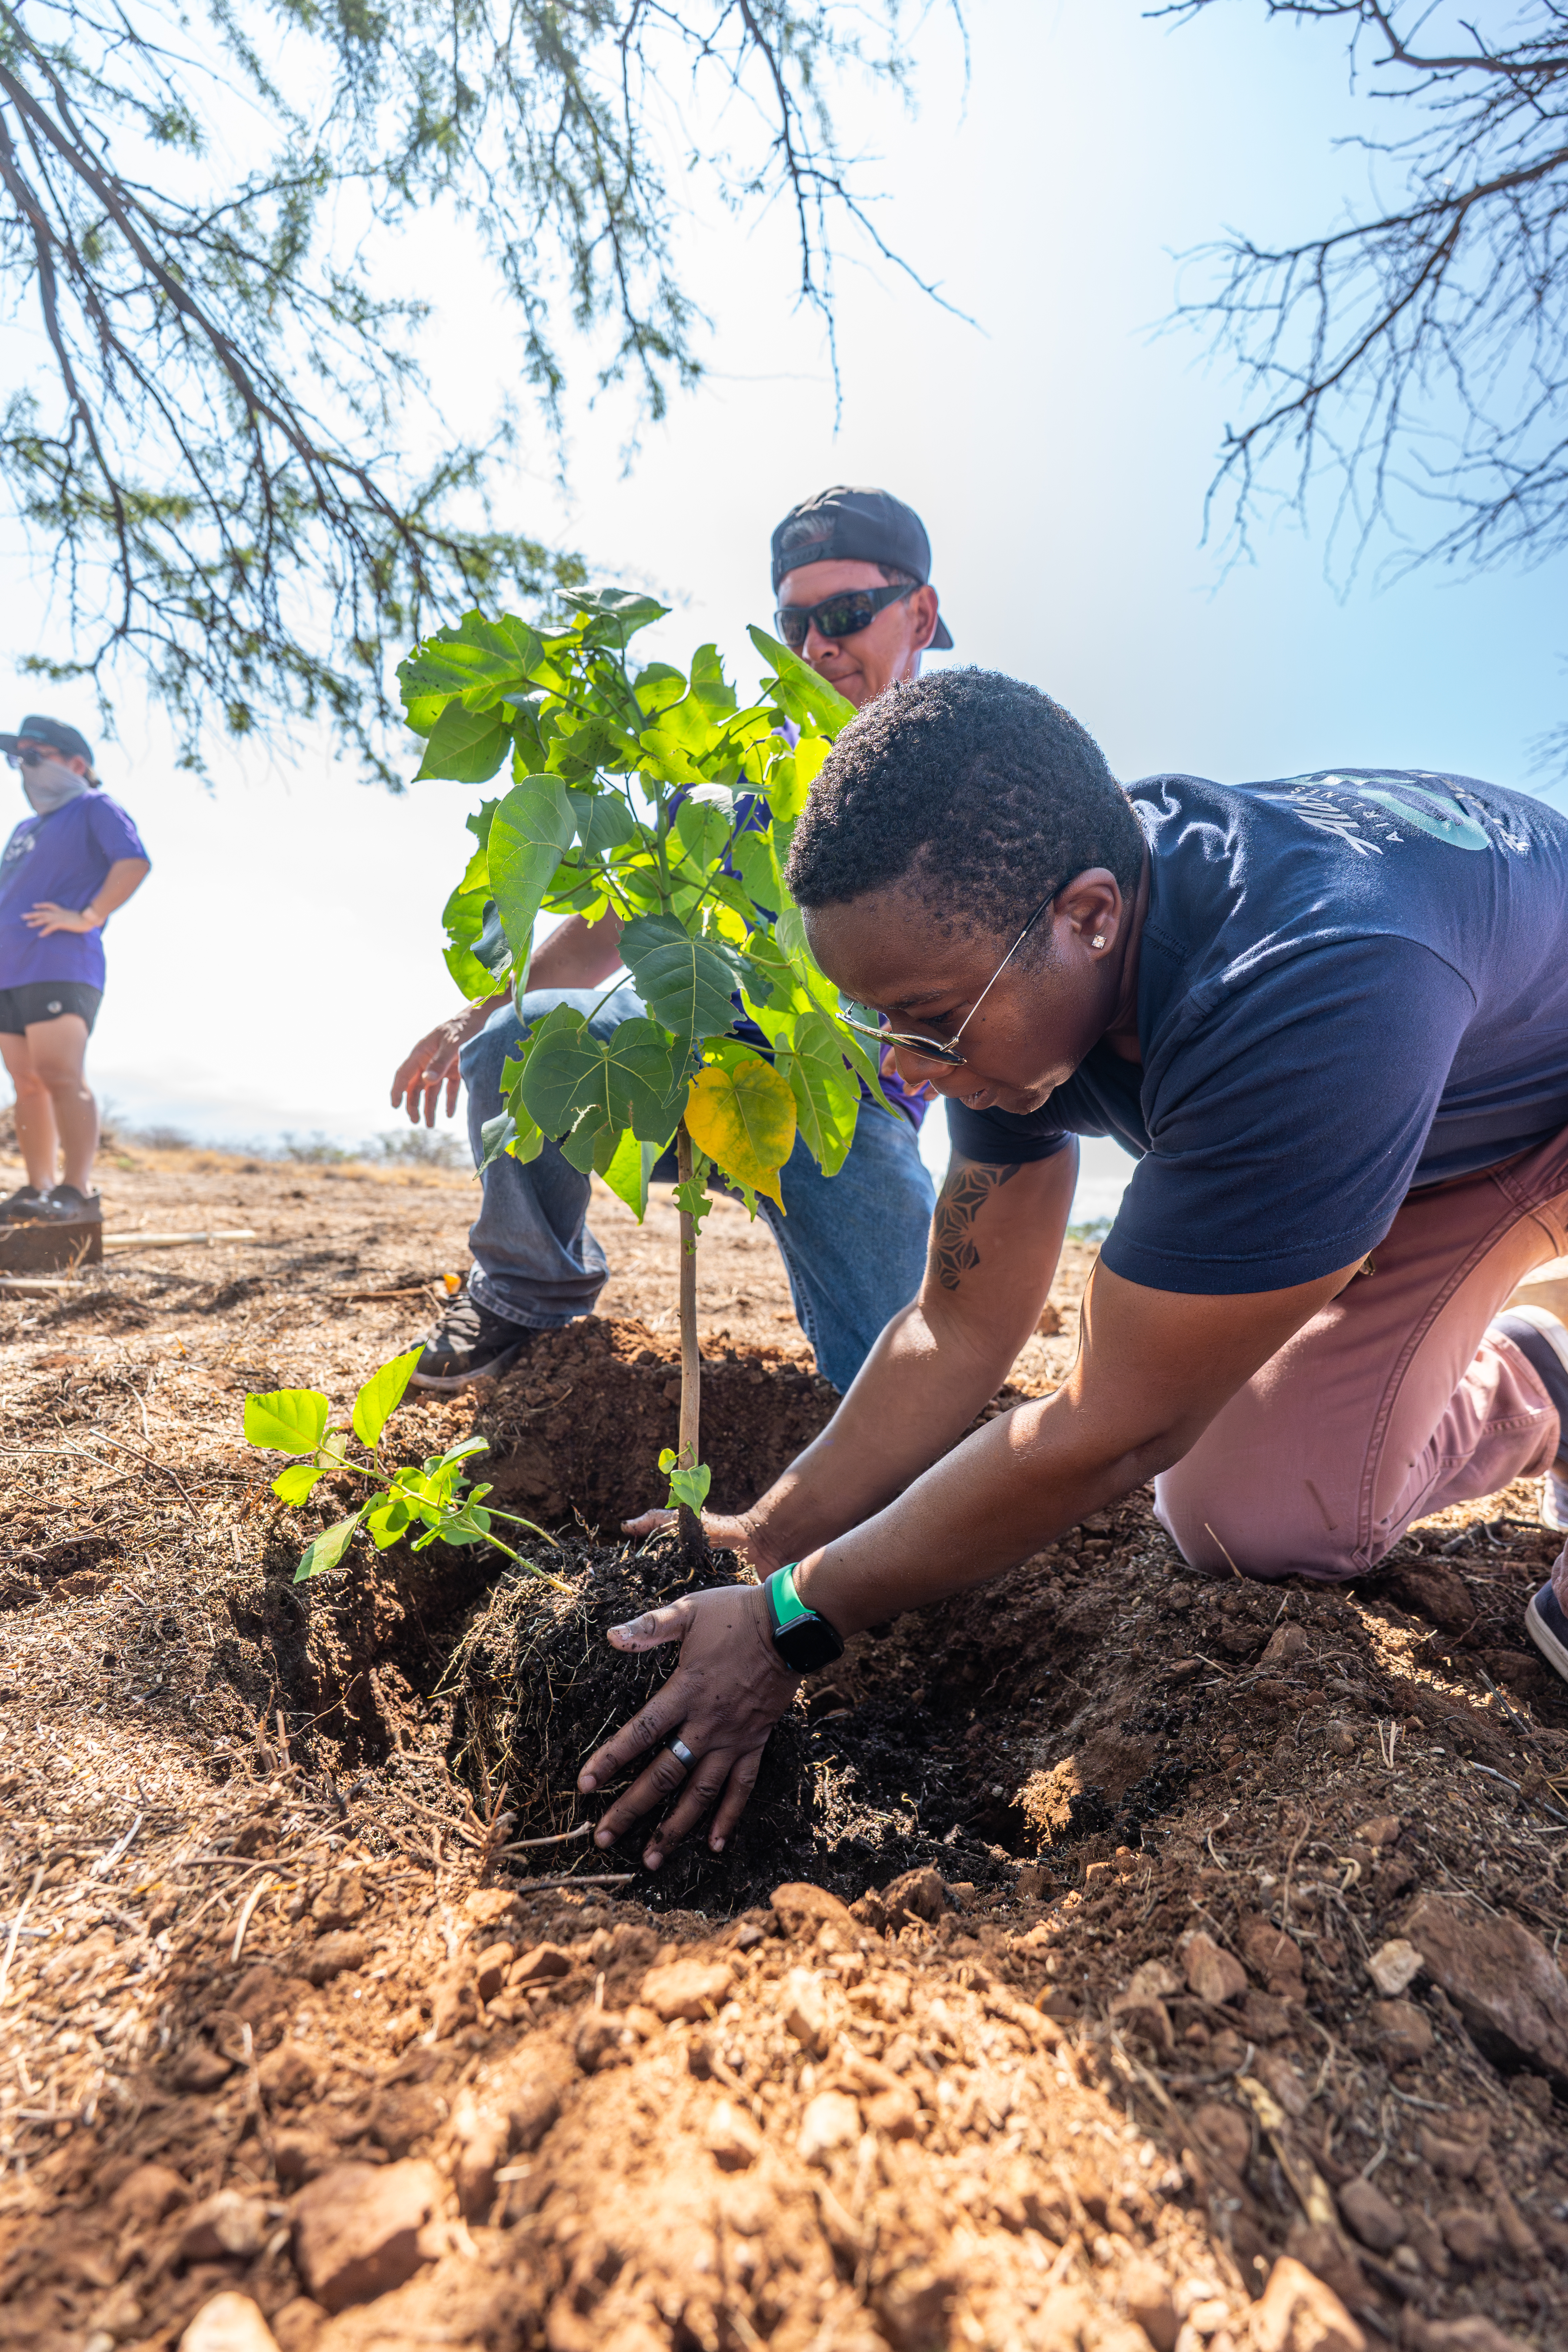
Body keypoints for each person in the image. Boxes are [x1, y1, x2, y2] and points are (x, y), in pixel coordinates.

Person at [570, 671, 1568, 1873]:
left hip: (1515, 1098)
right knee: (1248, 1513)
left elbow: (1113, 1425)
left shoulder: (1305, 980)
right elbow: (960, 1322)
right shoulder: (1021, 971)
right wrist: (771, 1532)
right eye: (879, 1021)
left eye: (927, 1021)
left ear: (1090, 916)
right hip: (1425, 1125)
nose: (906, 1066)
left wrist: (789, 1625)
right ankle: (1542, 1369)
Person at [391, 485, 952, 1393]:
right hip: (686, 1064)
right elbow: (613, 927)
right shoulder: (752, 770)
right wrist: (476, 1012)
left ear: (919, 613)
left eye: (847, 614)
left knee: (895, 1390)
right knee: (521, 1042)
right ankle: (528, 1287)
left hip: (845, 1109)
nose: (818, 646)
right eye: (795, 621)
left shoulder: (968, 766)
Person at [0, 716, 150, 1223]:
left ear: (77, 765)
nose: (26, 770)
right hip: (9, 968)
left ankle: (76, 1192)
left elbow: (133, 863)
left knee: (60, 1073)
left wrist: (88, 916)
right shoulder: (25, 829)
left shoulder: (94, 807)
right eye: (18, 759)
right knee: (26, 1081)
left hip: (60, 962)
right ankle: (37, 1190)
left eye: (36, 757)